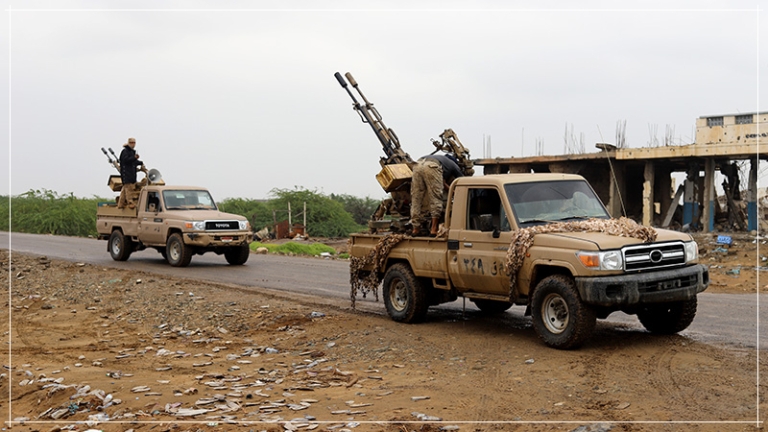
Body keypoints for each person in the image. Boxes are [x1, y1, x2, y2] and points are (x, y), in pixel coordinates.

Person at [410, 153, 463, 236]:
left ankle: (415, 229)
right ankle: (434, 229)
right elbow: (463, 180)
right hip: (432, 166)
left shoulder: (441, 160)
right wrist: (455, 193)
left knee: (416, 198)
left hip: (418, 164)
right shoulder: (453, 165)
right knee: (435, 197)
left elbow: (443, 182)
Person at [117, 137, 144, 209]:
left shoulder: (132, 152)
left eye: (134, 143)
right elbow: (125, 160)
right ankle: (130, 202)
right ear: (128, 143)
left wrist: (140, 162)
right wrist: (134, 158)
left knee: (125, 189)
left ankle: (120, 204)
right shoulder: (125, 151)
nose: (133, 144)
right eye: (131, 143)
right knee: (129, 189)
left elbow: (133, 162)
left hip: (132, 174)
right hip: (127, 174)